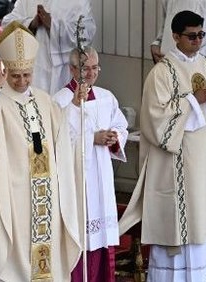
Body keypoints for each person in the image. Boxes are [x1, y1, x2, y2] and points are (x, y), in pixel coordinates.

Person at [119, 11, 206, 281]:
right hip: (176, 162)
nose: (197, 41)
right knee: (179, 223)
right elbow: (154, 117)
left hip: (204, 158)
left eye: (201, 36)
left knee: (201, 219)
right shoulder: (161, 73)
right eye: (191, 36)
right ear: (175, 37)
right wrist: (194, 101)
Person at [0, 21, 81, 282]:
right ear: (5, 71)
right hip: (16, 193)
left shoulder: (44, 100)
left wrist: (75, 107)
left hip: (47, 191)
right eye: (15, 75)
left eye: (27, 75)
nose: (22, 81)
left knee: (49, 248)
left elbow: (62, 138)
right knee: (20, 248)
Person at [54, 46, 129, 282]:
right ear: (72, 69)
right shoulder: (60, 101)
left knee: (101, 237)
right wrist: (91, 139)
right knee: (81, 236)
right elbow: (59, 140)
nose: (91, 73)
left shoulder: (107, 97)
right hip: (78, 181)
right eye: (85, 68)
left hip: (102, 179)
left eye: (95, 67)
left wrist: (114, 137)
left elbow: (121, 124)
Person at [150, 0, 206, 200]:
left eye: (200, 35)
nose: (197, 38)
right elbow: (169, 26)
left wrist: (191, 57)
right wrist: (157, 43)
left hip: (203, 75)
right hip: (172, 69)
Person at [1, 0, 96, 96]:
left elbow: (87, 33)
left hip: (63, 73)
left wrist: (53, 25)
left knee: (61, 106)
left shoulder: (79, 2)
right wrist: (31, 24)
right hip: (32, 69)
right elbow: (7, 23)